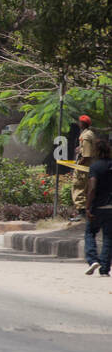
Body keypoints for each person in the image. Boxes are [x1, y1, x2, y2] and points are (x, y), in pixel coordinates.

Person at [82, 137, 112, 275]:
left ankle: (93, 259)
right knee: (108, 238)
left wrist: (88, 207)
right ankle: (105, 269)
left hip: (98, 207)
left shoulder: (95, 167)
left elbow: (92, 187)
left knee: (90, 233)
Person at [72, 114, 96, 219]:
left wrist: (79, 164)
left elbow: (86, 154)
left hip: (83, 167)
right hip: (89, 166)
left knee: (78, 187)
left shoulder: (86, 136)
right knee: (85, 188)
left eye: (79, 122)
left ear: (82, 124)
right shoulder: (90, 133)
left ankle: (81, 212)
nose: (78, 124)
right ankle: (85, 211)